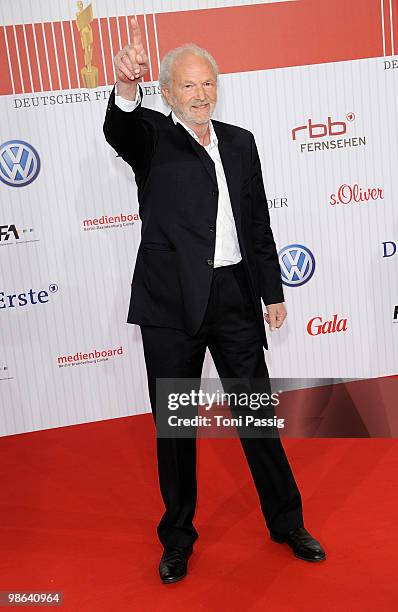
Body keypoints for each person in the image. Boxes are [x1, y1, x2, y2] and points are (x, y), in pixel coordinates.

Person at [103, 17, 326, 584]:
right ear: (167, 93)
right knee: (176, 428)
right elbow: (119, 129)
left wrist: (271, 291)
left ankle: (287, 521)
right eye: (188, 85)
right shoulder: (151, 136)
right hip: (171, 304)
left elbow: (257, 221)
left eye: (207, 84)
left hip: (233, 296)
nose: (200, 94)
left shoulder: (242, 141)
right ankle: (177, 538)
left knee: (256, 416)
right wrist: (124, 88)